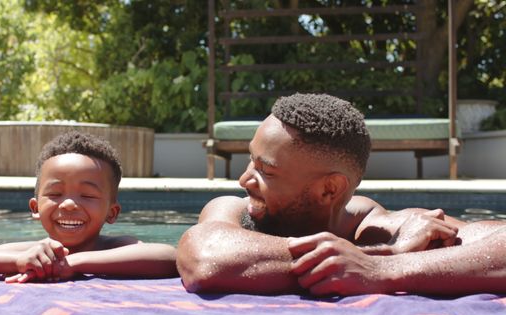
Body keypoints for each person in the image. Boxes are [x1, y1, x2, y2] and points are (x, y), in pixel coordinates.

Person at [176, 93, 506, 296]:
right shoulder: (234, 210)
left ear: (329, 188)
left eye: (266, 171)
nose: (244, 179)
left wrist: (380, 273)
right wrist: (383, 257)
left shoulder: (378, 226)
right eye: (251, 159)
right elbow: (206, 260)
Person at [0, 131, 177, 282]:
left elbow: (168, 258)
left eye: (87, 195)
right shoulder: (28, 252)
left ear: (112, 213)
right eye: (55, 193)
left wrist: (73, 264)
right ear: (35, 207)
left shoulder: (117, 248)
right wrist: (18, 261)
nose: (68, 204)